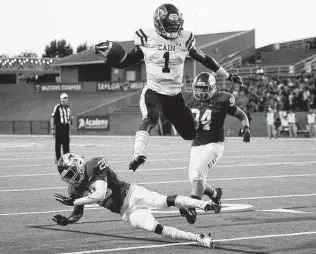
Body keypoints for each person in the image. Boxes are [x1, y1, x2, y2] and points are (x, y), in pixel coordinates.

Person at [94, 3, 243, 172]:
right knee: (150, 118)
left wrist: (228, 75)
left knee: (190, 134)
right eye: (169, 25)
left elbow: (205, 59)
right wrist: (111, 58)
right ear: (158, 23)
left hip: (174, 96)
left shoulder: (184, 40)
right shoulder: (147, 39)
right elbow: (125, 62)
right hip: (154, 92)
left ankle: (171, 123)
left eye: (175, 25)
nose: (173, 29)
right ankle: (137, 154)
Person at [52, 153, 219, 248]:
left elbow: (100, 194)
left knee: (164, 201)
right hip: (127, 212)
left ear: (79, 164)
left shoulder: (94, 165)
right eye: (68, 176)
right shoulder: (74, 190)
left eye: (71, 172)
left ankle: (203, 204)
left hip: (132, 193)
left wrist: (74, 202)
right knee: (156, 228)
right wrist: (67, 220)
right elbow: (77, 214)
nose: (72, 178)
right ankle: (198, 237)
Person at [179, 72, 250, 224]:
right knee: (195, 180)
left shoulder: (222, 99)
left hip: (214, 143)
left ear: (212, 88)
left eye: (204, 89)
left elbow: (241, 115)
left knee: (198, 174)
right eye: (198, 88)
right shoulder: (187, 98)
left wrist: (246, 128)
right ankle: (215, 194)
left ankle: (192, 207)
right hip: (197, 143)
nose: (200, 92)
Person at [51, 93, 73, 163]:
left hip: (66, 127)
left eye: (66, 99)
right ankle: (58, 159)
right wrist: (52, 128)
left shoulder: (68, 108)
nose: (64, 100)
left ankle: (66, 159)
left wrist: (71, 120)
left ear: (67, 100)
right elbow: (52, 118)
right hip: (59, 127)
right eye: (63, 99)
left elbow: (69, 118)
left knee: (66, 144)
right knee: (58, 144)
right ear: (60, 99)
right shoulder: (57, 107)